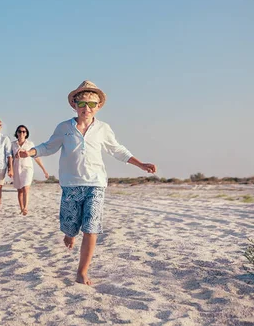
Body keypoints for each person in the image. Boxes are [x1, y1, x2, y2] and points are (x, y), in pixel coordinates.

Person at [19, 80, 156, 285]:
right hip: (71, 184)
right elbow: (49, 146)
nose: (87, 108)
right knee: (70, 225)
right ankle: (69, 233)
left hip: (96, 184)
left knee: (91, 227)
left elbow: (117, 150)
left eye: (92, 104)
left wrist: (140, 164)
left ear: (98, 107)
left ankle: (82, 271)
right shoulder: (64, 127)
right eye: (82, 103)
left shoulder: (103, 128)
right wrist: (30, 152)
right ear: (74, 104)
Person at [11, 125, 48, 216]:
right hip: (16, 167)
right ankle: (22, 208)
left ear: (26, 133)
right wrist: (10, 169)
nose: (22, 133)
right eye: (20, 131)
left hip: (27, 168)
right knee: (19, 190)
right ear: (17, 133)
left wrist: (44, 170)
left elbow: (36, 157)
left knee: (26, 188)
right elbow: (10, 158)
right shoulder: (12, 144)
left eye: (24, 131)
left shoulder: (30, 144)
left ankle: (25, 208)